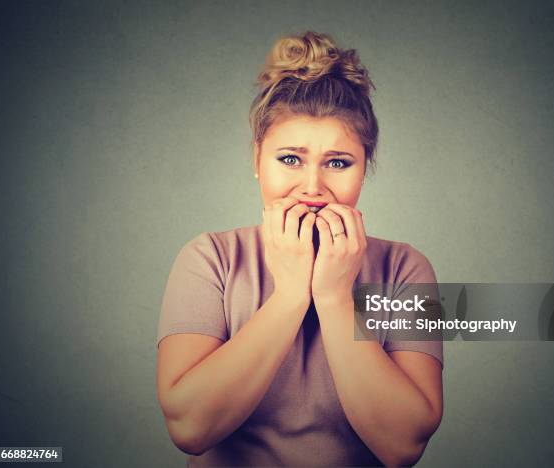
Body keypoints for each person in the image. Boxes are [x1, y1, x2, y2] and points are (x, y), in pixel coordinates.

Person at [156, 31, 443, 467]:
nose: (312, 187)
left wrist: (334, 298)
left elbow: (404, 445)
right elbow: (189, 428)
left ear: (365, 168)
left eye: (338, 163)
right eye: (290, 159)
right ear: (257, 160)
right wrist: (290, 294)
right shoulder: (209, 259)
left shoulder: (405, 269)